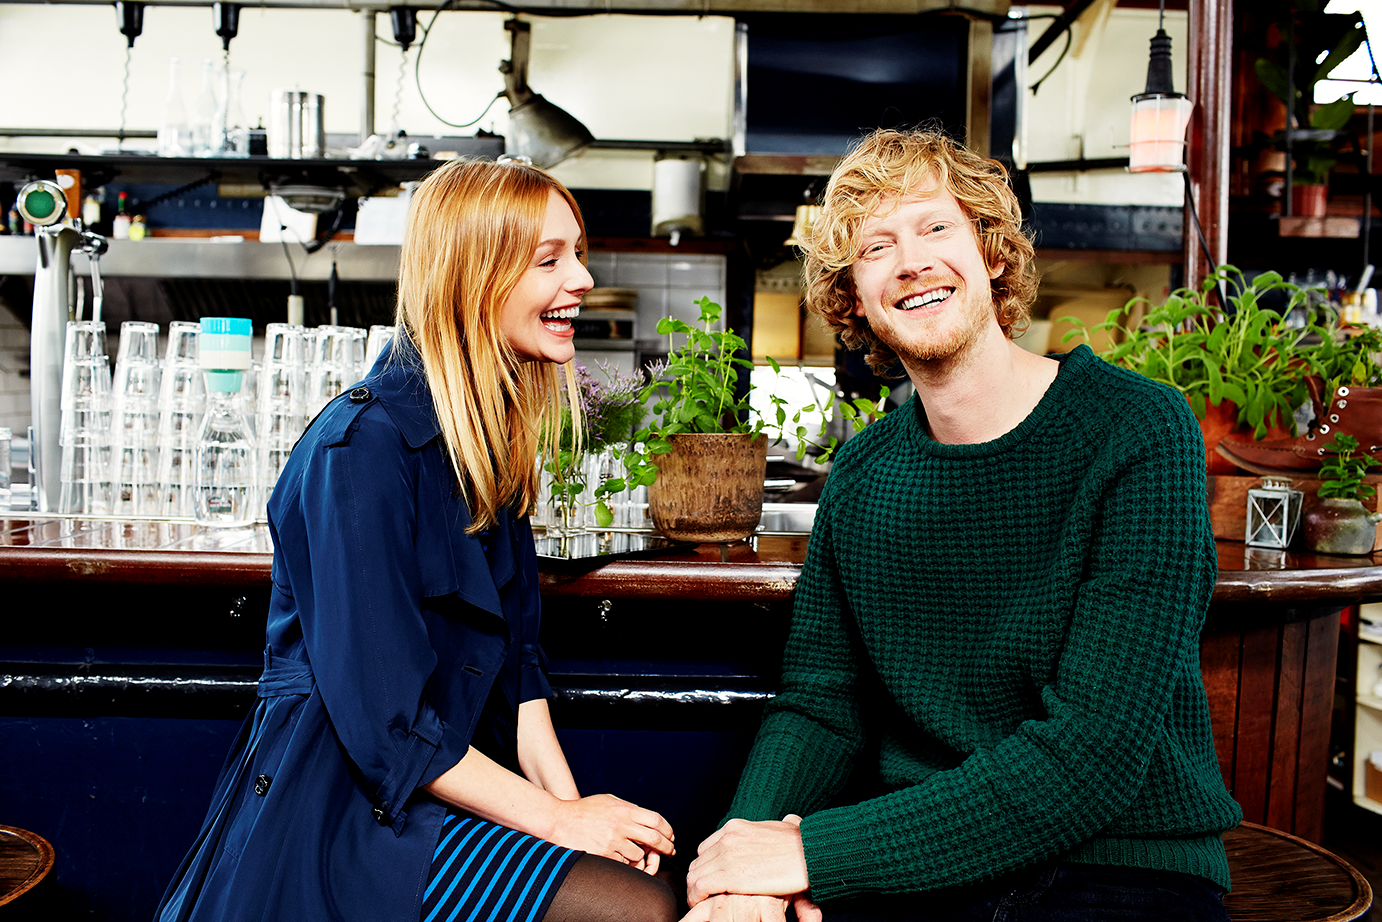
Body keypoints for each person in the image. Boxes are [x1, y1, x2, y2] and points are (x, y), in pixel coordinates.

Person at [682, 128, 1243, 922]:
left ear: (994, 254)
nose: (910, 261)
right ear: (855, 298)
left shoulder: (1138, 429)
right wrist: (744, 863)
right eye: (876, 247)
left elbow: (1091, 754)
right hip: (918, 859)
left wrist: (811, 854)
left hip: (1119, 862)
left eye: (935, 227)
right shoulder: (864, 474)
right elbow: (820, 704)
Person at [155, 158, 678, 922]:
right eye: (551, 260)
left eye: (577, 252)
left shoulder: (483, 444)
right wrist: (561, 823)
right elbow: (385, 725)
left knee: (643, 884)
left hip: (433, 795)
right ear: (476, 278)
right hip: (339, 821)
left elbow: (520, 676)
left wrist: (576, 818)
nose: (585, 278)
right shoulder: (358, 449)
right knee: (634, 912)